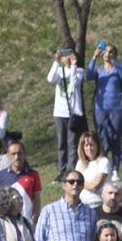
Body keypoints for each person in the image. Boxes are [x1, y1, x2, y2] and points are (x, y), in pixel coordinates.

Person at [87, 43, 122, 163]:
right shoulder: (100, 70)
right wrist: (94, 57)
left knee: (116, 137)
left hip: (116, 109)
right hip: (100, 108)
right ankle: (104, 164)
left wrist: (113, 61)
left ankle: (115, 169)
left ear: (115, 54)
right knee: (101, 136)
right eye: (105, 51)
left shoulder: (119, 68)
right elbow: (89, 76)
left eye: (111, 51)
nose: (108, 53)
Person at [46, 46, 86, 174]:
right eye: (64, 55)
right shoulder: (58, 71)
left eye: (69, 54)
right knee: (61, 144)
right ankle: (61, 171)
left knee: (72, 143)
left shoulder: (79, 71)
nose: (67, 57)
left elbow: (74, 84)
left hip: (72, 113)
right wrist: (56, 61)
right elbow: (50, 79)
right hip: (59, 112)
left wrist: (73, 65)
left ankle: (70, 170)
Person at [74, 131, 113, 208]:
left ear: (97, 145)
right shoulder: (79, 164)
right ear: (82, 148)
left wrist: (80, 183)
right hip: (80, 203)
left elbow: (95, 186)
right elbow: (75, 184)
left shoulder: (103, 161)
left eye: (92, 145)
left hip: (97, 203)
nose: (89, 148)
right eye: (86, 145)